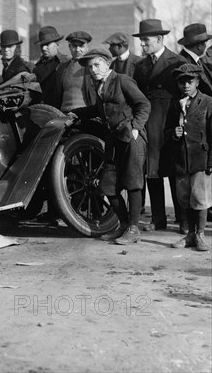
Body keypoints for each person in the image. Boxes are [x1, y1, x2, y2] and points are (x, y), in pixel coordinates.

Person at [68, 48, 150, 245]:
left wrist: (136, 127)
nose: (93, 70)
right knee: (108, 185)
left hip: (131, 138)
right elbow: (97, 110)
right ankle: (122, 225)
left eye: (97, 65)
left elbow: (143, 104)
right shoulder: (100, 86)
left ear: (107, 63)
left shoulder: (122, 80)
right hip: (114, 139)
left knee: (133, 182)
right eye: (90, 67)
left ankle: (133, 228)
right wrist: (76, 113)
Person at [132, 19, 185, 231]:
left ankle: (182, 219)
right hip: (149, 121)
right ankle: (158, 218)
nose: (142, 45)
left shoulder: (176, 62)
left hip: (170, 121)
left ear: (160, 39)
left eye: (146, 40)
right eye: (141, 41)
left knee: (174, 170)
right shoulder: (141, 66)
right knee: (152, 170)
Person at [166, 64, 212, 251]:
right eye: (181, 81)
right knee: (184, 198)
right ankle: (190, 234)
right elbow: (165, 130)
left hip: (200, 158)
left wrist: (211, 161)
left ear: (198, 81)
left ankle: (200, 235)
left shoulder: (208, 102)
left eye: (189, 81)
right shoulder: (174, 103)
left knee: (199, 198)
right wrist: (173, 134)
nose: (185, 85)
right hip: (180, 159)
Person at [52, 31, 92, 113]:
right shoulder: (62, 68)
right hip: (64, 115)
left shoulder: (93, 67)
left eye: (81, 46)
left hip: (87, 116)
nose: (77, 49)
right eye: (74, 46)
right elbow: (56, 96)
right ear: (69, 47)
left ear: (87, 47)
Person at [176, 23, 212, 96]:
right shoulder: (184, 63)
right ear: (199, 46)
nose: (206, 46)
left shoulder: (197, 60)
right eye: (205, 43)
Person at [33, 26, 62, 106]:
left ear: (58, 45)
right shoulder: (37, 68)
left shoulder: (65, 64)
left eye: (47, 44)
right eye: (42, 45)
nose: (44, 48)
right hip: (43, 111)